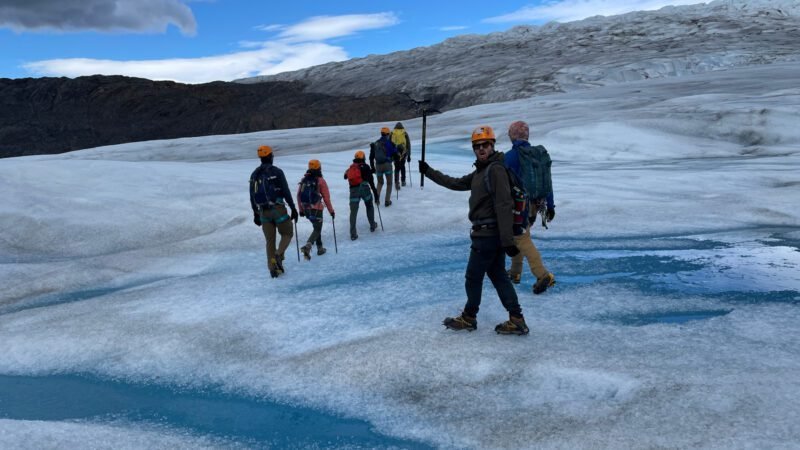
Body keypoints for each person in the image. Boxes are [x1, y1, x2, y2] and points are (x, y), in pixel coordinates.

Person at [418, 125, 529, 335]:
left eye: (485, 145)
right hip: (487, 234)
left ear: (492, 145)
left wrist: (507, 240)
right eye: (477, 146)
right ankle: (517, 318)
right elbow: (456, 183)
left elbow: (504, 204)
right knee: (498, 276)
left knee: (473, 277)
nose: (481, 149)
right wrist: (429, 172)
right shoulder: (482, 171)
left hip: (487, 235)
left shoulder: (495, 170)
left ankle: (469, 317)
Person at [504, 120, 556, 294]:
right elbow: (547, 181)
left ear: (512, 136)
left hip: (519, 206)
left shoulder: (511, 156)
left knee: (521, 238)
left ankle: (542, 274)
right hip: (536, 205)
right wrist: (551, 205)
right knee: (519, 234)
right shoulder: (537, 155)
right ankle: (515, 273)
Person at [249, 145, 298, 278]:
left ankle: (273, 268)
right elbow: (286, 191)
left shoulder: (255, 173)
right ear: (270, 156)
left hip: (263, 211)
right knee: (287, 233)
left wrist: (255, 213)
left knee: (270, 241)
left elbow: (252, 194)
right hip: (278, 209)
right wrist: (293, 208)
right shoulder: (277, 172)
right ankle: (278, 255)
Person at [296, 159, 335, 260]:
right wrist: (331, 211)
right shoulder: (320, 181)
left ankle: (320, 248)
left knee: (316, 228)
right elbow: (326, 198)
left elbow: (298, 195)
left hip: (306, 209)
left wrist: (301, 210)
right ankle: (308, 246)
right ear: (319, 168)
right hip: (317, 209)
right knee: (317, 229)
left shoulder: (304, 179)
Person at [344, 150, 379, 240]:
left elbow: (345, 176)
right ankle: (372, 225)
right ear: (363, 158)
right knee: (369, 205)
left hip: (353, 191)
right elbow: (371, 182)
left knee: (353, 212)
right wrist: (376, 195)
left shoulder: (350, 168)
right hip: (364, 189)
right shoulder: (366, 167)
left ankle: (353, 233)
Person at [370, 127, 397, 207]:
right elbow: (395, 154)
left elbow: (371, 157)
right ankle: (387, 201)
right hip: (387, 165)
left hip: (378, 165)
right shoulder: (389, 143)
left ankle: (377, 199)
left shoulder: (376, 143)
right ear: (388, 134)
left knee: (380, 182)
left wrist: (372, 167)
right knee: (389, 183)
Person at [391, 122, 411, 190]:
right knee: (402, 166)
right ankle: (403, 181)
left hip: (395, 152)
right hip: (403, 152)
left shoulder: (392, 133)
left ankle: (397, 182)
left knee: (396, 167)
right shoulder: (405, 133)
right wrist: (409, 155)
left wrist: (390, 155)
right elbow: (408, 144)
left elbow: (389, 144)